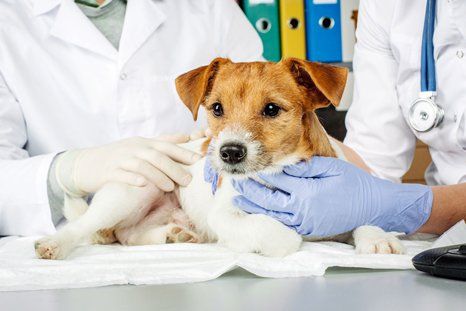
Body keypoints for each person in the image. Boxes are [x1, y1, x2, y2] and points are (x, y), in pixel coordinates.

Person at [0, 0, 263, 236]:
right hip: (63, 255)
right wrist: (67, 171)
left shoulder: (209, 7)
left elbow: (275, 103)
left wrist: (299, 188)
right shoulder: (8, 20)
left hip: (202, 238)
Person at [232, 0, 466, 237]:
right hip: (445, 236)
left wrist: (412, 206)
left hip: (438, 218)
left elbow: (375, 199)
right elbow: (372, 164)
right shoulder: (386, 5)